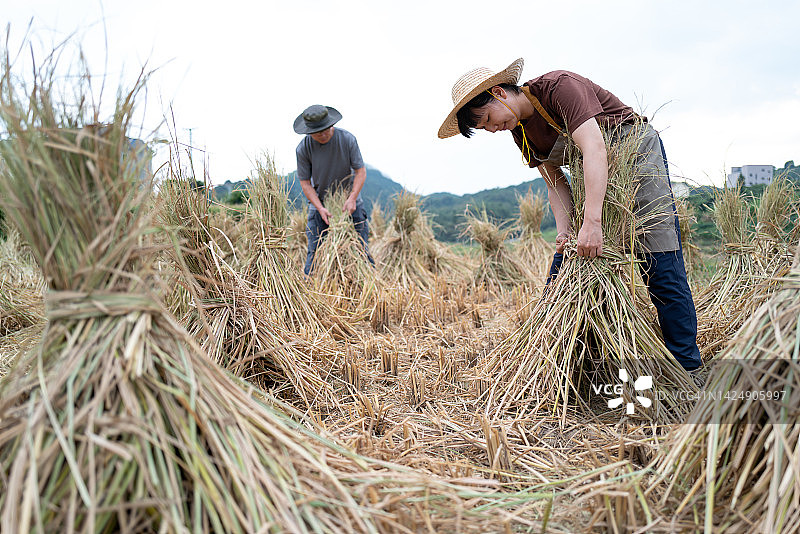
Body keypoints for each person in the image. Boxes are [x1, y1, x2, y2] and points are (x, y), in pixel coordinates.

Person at [438, 58, 702, 372]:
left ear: (499, 93)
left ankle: (688, 366)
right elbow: (555, 183)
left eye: (488, 119)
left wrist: (591, 223)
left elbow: (594, 149)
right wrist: (565, 230)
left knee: (659, 260)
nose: (493, 129)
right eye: (485, 129)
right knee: (565, 266)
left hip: (636, 159)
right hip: (593, 177)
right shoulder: (522, 133)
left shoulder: (559, 87)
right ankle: (571, 364)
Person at [294, 104, 372, 275]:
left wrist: (352, 198)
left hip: (351, 203)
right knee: (314, 253)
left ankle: (368, 286)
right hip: (319, 205)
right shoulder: (303, 149)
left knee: (361, 249)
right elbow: (305, 182)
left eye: (326, 130)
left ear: (331, 124)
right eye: (317, 132)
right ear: (308, 131)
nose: (323, 135)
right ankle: (311, 290)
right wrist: (320, 208)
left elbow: (360, 172)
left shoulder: (347, 139)